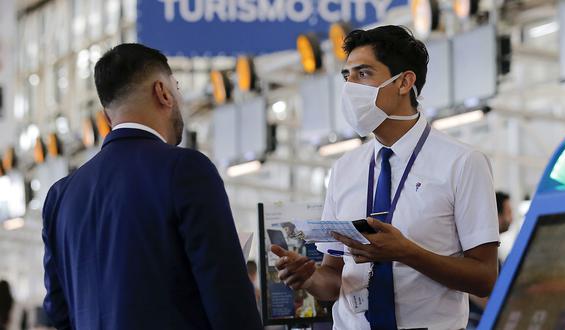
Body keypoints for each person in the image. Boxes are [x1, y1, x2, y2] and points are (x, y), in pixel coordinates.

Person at [272, 25, 500, 330]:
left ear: (405, 82)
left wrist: (407, 252)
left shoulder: (462, 162)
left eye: (364, 73)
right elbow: (333, 277)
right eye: (347, 75)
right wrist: (309, 277)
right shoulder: (344, 169)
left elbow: (484, 279)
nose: (351, 86)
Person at [42, 43, 262, 330]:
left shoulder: (61, 196)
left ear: (108, 115)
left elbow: (57, 312)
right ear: (163, 92)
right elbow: (229, 302)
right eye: (177, 87)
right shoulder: (186, 170)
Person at [467, 191, 513, 328]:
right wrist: (498, 312)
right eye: (508, 212)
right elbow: (470, 289)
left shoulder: (494, 254)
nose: (511, 218)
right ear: (495, 215)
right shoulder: (474, 249)